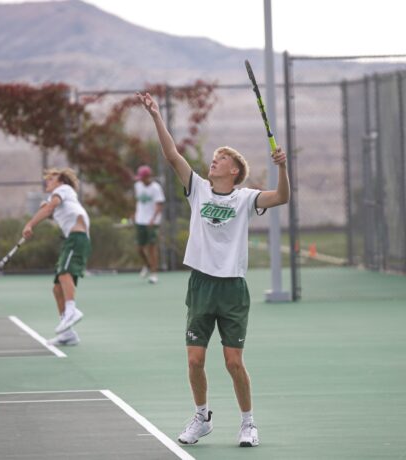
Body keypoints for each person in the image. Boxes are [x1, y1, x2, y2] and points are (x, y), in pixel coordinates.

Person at [137, 92, 290, 448]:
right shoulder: (199, 190)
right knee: (195, 360)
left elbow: (282, 197)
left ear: (234, 170)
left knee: (233, 362)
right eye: (214, 158)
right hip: (201, 284)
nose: (214, 161)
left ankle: (248, 423)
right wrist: (156, 115)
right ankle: (201, 417)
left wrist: (282, 167)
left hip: (232, 288)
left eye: (221, 159)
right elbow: (172, 155)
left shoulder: (246, 198)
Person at [22, 168, 90, 347]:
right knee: (57, 289)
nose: (47, 181)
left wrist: (30, 224)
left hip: (77, 238)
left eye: (52, 179)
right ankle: (68, 334)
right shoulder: (59, 198)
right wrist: (47, 209)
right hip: (72, 239)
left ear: (61, 181)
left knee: (64, 273)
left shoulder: (63, 190)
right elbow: (52, 210)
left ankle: (71, 311)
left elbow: (50, 208)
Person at [133, 165, 165, 284]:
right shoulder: (137, 186)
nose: (140, 179)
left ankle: (154, 274)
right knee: (139, 248)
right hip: (140, 221)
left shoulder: (156, 188)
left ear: (148, 177)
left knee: (152, 248)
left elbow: (159, 205)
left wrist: (153, 219)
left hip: (153, 222)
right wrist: (135, 214)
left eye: (142, 177)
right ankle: (147, 265)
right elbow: (138, 202)